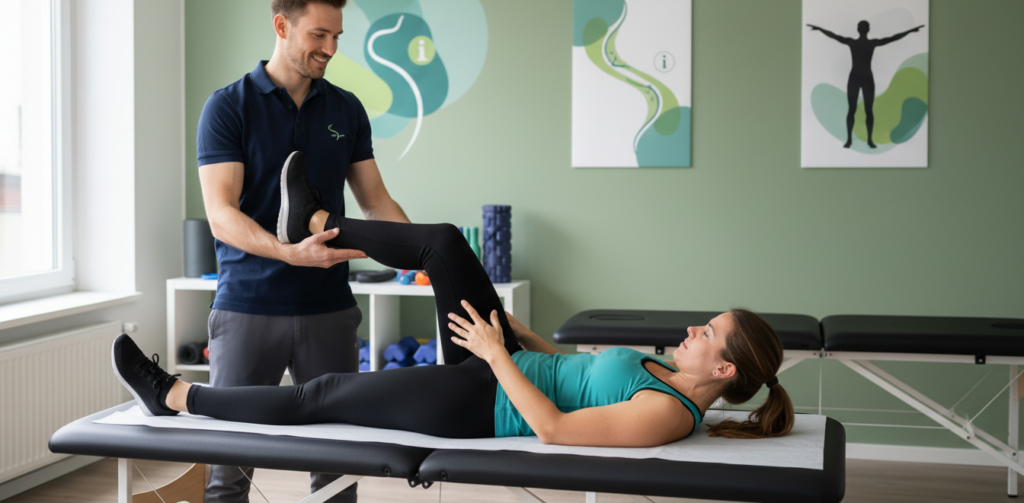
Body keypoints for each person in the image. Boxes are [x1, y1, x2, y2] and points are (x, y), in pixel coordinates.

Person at [116, 153, 794, 447]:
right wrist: (514, 334)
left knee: (318, 396)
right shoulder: (664, 373)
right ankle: (319, 223)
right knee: (442, 242)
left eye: (707, 332)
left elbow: (556, 430)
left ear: (725, 370)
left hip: (477, 400)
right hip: (495, 358)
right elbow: (572, 373)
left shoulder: (669, 415)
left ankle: (175, 396)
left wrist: (498, 355)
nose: (691, 329)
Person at [196, 0, 409, 503]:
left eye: (337, 36)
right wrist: (288, 252)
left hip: (329, 309)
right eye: (319, 35)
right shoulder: (228, 107)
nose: (331, 49)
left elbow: (375, 200)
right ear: (281, 26)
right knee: (230, 465)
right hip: (248, 307)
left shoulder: (346, 109)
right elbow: (221, 213)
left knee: (337, 464)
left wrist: (425, 253)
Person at [807, 21, 925, 149]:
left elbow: (834, 36)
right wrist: (910, 31)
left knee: (852, 110)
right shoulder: (871, 43)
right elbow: (892, 38)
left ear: (858, 29)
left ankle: (849, 140)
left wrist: (819, 29)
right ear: (868, 29)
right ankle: (869, 140)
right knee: (868, 111)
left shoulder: (852, 42)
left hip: (854, 78)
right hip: (867, 78)